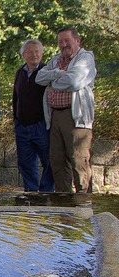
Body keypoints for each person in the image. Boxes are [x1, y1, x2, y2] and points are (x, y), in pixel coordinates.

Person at [36, 27, 96, 193]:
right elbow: (39, 78)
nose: (63, 45)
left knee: (79, 160)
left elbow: (75, 82)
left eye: (66, 41)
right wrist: (57, 73)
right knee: (58, 161)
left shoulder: (85, 59)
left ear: (77, 41)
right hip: (55, 114)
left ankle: (84, 205)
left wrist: (53, 81)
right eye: (60, 42)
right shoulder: (56, 60)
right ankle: (64, 206)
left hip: (76, 117)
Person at [13, 39, 54, 193]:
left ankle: (46, 192)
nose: (34, 54)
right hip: (22, 126)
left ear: (42, 53)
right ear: (23, 55)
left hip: (41, 125)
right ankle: (31, 193)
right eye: (30, 51)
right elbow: (15, 98)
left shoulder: (46, 71)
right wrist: (15, 119)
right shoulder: (20, 72)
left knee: (48, 160)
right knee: (25, 163)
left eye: (37, 51)